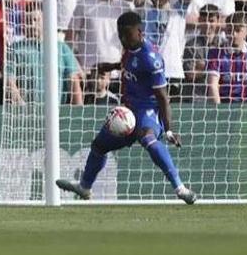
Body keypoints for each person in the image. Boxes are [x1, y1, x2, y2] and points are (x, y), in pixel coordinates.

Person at [56, 11, 197, 205]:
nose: (123, 39)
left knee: (147, 137)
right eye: (120, 35)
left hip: (148, 112)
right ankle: (84, 188)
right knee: (99, 146)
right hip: (128, 111)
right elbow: (129, 66)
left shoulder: (151, 59)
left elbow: (163, 97)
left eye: (127, 35)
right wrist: (110, 66)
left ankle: (180, 188)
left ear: (140, 32)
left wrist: (169, 129)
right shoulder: (129, 50)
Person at [206, 12, 247, 104]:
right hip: (225, 106)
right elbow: (213, 85)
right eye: (229, 30)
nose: (233, 34)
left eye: (238, 30)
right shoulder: (216, 53)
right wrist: (220, 111)